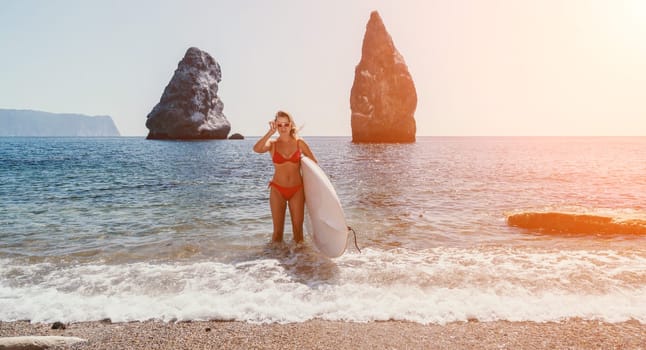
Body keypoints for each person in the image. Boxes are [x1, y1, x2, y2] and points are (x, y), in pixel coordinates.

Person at [253, 110, 317, 243]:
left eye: (286, 124)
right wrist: (270, 133)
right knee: (277, 234)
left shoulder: (300, 143)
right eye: (279, 125)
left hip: (297, 190)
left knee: (298, 232)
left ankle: (299, 261)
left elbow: (314, 165)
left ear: (291, 125)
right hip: (277, 190)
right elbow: (257, 149)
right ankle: (274, 262)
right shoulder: (273, 144)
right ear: (275, 125)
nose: (282, 128)